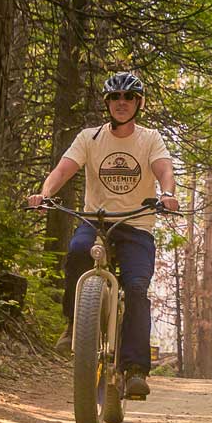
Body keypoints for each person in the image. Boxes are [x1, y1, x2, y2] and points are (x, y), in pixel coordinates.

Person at [28, 71, 180, 399]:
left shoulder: (150, 138)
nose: (121, 103)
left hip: (136, 224)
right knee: (78, 252)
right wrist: (45, 194)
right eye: (115, 98)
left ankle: (135, 370)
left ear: (138, 103)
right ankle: (75, 324)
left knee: (137, 289)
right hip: (96, 221)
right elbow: (63, 169)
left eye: (128, 97)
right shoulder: (89, 138)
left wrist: (167, 193)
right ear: (107, 103)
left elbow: (164, 169)